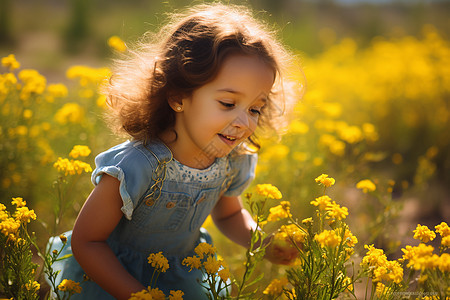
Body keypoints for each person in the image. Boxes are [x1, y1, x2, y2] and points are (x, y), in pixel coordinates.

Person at [49, 3, 302, 299]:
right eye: (228, 104)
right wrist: (140, 296)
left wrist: (263, 244)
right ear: (178, 96)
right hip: (113, 280)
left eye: (256, 109)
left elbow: (230, 216)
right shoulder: (137, 165)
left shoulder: (232, 162)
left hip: (185, 274)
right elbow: (87, 241)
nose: (244, 122)